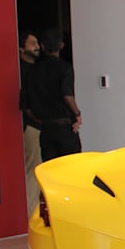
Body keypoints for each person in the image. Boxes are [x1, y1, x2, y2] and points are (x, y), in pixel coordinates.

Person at [24, 29, 83, 162]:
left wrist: (41, 121)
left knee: (50, 168)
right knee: (72, 166)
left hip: (46, 129)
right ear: (61, 45)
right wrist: (77, 113)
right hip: (65, 127)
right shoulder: (65, 68)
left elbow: (26, 106)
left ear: (42, 46)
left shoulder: (32, 70)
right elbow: (67, 95)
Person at [18, 30, 43, 215]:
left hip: (38, 126)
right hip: (31, 126)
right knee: (32, 169)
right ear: (21, 48)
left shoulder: (36, 69)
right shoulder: (20, 71)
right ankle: (30, 215)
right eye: (32, 43)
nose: (37, 47)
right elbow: (25, 104)